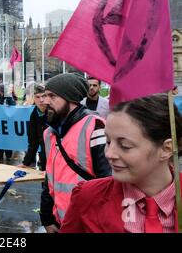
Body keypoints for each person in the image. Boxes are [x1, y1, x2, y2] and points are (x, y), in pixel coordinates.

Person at [61, 94, 182, 233]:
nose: (109, 154)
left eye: (125, 146)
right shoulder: (87, 198)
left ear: (166, 149)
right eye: (108, 141)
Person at [40, 73, 112, 233]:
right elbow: (49, 178)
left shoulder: (95, 126)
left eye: (51, 95)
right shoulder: (49, 133)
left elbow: (108, 182)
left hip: (88, 224)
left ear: (70, 98)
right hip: (59, 222)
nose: (44, 101)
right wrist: (46, 217)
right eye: (44, 95)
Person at [19, 83, 48, 170]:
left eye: (43, 96)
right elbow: (33, 142)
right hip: (44, 163)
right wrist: (26, 163)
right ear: (33, 98)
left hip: (58, 164)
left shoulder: (55, 112)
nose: (41, 100)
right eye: (37, 97)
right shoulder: (34, 115)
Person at [0, 84, 16, 162]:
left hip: (8, 122)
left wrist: (7, 106)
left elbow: (14, 107)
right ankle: (0, 155)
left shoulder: (9, 97)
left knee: (8, 139)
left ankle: (8, 155)